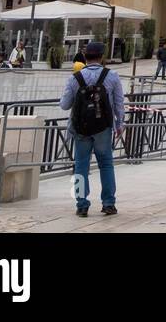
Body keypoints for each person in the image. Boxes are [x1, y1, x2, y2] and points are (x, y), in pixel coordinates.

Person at [59, 41, 124, 217]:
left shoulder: (75, 78)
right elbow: (119, 104)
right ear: (101, 57)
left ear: (85, 57)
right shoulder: (112, 76)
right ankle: (109, 203)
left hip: (81, 128)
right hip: (103, 127)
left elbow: (64, 105)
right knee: (106, 164)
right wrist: (119, 124)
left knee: (80, 165)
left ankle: (81, 204)